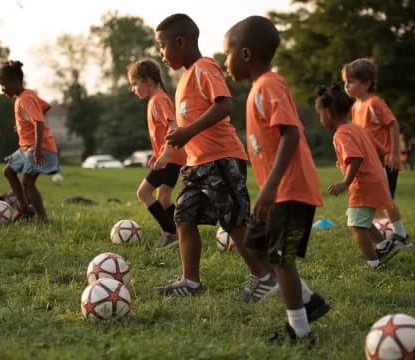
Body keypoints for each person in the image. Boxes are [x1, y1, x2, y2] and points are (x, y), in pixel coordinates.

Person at [223, 16, 330, 341]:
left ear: (245, 55)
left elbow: (291, 135)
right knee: (255, 246)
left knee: (281, 259)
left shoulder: (270, 85)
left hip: (292, 191)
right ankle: (309, 301)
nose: (224, 60)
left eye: (226, 53)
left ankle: (299, 329)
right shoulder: (258, 89)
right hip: (278, 193)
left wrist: (268, 188)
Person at [154, 13, 264, 296]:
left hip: (221, 158)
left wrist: (188, 132)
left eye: (162, 45)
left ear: (180, 42)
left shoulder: (205, 67)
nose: (160, 53)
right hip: (196, 163)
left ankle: (264, 277)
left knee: (235, 221)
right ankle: (190, 282)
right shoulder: (184, 78)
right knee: (184, 216)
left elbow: (225, 105)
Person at [315, 83, 400, 268]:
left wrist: (345, 182)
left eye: (320, 114)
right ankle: (384, 246)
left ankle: (372, 262)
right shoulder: (358, 128)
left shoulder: (341, 134)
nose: (320, 119)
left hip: (363, 184)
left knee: (356, 225)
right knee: (364, 220)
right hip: (376, 179)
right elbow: (380, 149)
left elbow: (355, 158)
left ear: (329, 113)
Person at [341, 58, 411, 248]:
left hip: (385, 160)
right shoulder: (355, 107)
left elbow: (393, 124)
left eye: (351, 81)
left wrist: (395, 153)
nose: (346, 85)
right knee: (374, 199)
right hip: (370, 163)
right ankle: (382, 233)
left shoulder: (375, 103)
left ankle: (401, 236)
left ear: (366, 83)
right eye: (345, 81)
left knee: (387, 198)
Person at [127, 58, 186, 247]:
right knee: (163, 198)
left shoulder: (159, 99)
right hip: (173, 156)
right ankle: (182, 232)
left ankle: (171, 233)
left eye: (135, 84)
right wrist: (158, 152)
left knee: (143, 193)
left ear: (148, 81)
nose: (133, 89)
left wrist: (166, 154)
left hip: (172, 157)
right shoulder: (155, 100)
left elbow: (173, 126)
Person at [0, 60, 59, 222]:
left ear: (15, 81)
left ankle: (43, 217)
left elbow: (38, 122)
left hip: (38, 147)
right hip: (27, 147)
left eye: (3, 84)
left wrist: (38, 150)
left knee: (28, 183)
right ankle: (25, 208)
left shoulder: (25, 99)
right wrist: (22, 123)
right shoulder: (27, 95)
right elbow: (45, 107)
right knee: (9, 172)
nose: (2, 89)